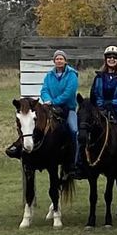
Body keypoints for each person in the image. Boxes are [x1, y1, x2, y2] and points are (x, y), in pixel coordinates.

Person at [36, 48, 81, 176]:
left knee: (74, 130)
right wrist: (47, 100)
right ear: (54, 61)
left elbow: (69, 92)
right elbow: (44, 90)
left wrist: (54, 101)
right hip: (51, 108)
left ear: (65, 61)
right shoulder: (49, 76)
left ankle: (76, 160)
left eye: (61, 58)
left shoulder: (72, 75)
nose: (59, 61)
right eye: (57, 59)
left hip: (68, 109)